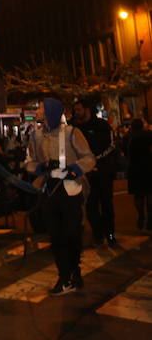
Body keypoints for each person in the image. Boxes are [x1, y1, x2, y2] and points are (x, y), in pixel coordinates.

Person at [26, 97, 95, 295]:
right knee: (56, 236)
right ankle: (65, 276)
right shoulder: (36, 136)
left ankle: (74, 271)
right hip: (49, 190)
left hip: (71, 189)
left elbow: (89, 158)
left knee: (72, 233)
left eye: (40, 108)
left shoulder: (72, 133)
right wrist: (41, 167)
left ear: (50, 112)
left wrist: (74, 169)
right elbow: (29, 161)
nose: (37, 111)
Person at [72, 98, 118, 246]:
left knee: (106, 204)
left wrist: (94, 160)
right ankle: (98, 234)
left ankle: (110, 234)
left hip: (103, 171)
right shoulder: (74, 127)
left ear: (87, 109)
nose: (76, 113)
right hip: (86, 174)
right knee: (90, 205)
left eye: (79, 109)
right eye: (75, 110)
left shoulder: (102, 125)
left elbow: (111, 146)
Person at [125, 118, 152, 232]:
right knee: (150, 193)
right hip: (149, 166)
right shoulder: (149, 135)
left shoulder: (127, 137)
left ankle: (141, 214)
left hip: (134, 168)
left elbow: (125, 151)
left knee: (138, 195)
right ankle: (150, 219)